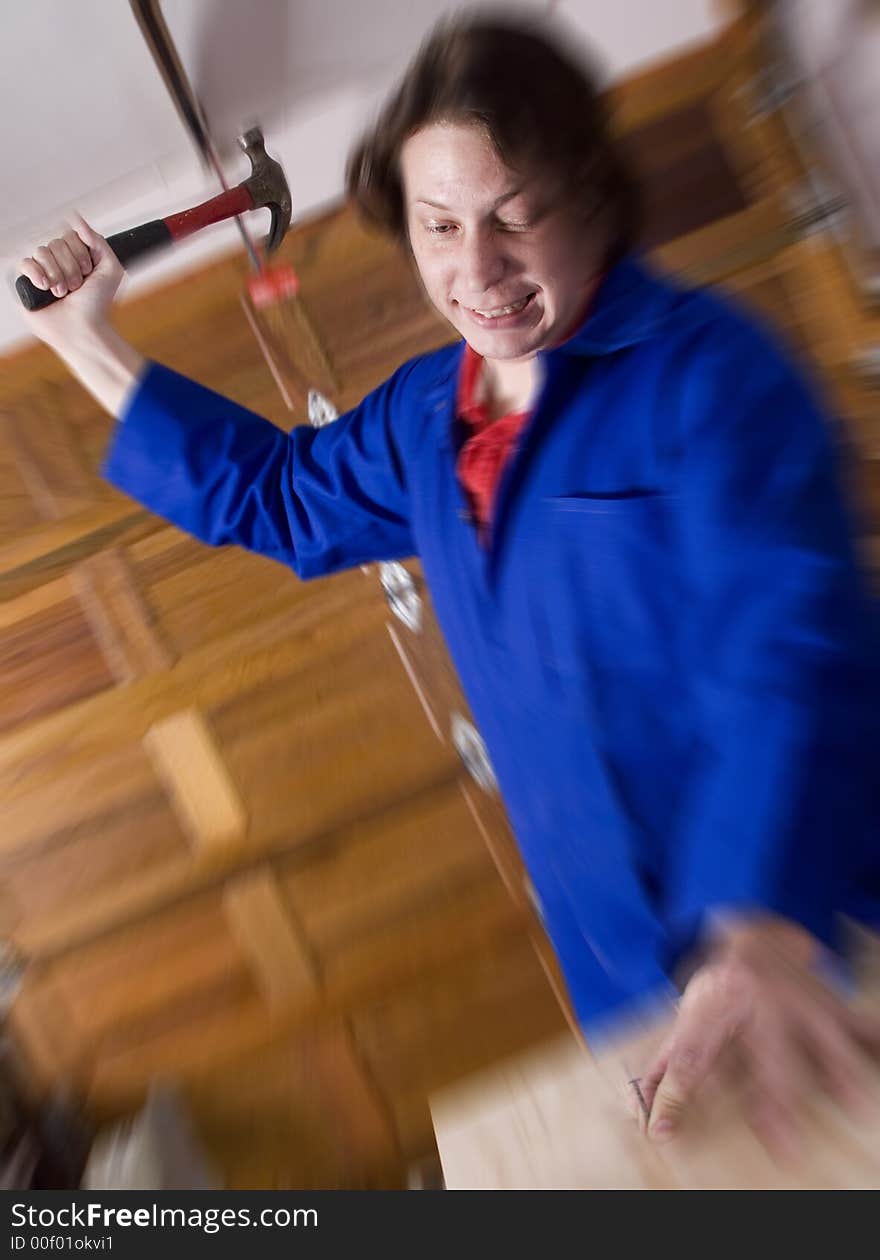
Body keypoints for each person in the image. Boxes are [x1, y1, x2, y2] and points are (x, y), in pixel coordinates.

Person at [18, 13, 880, 1156]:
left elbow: (792, 649)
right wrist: (89, 343)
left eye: (514, 216)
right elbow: (272, 497)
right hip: (626, 982)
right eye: (439, 226)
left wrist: (759, 925)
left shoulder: (709, 378)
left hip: (806, 941)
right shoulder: (426, 417)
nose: (477, 270)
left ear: (593, 197)